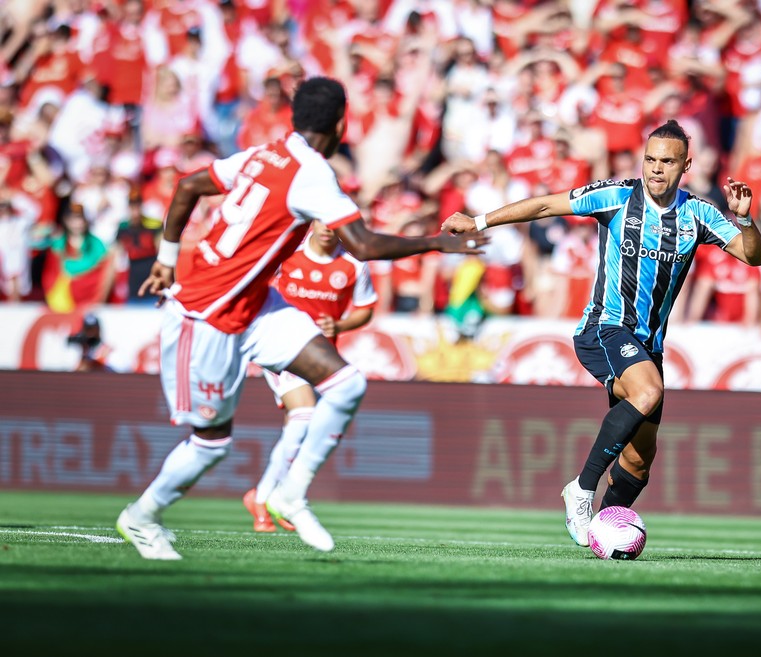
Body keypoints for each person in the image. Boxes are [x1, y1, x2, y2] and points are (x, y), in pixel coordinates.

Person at [116, 77, 487, 560]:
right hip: (206, 314)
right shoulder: (311, 172)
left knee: (346, 384)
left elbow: (188, 185)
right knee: (210, 444)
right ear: (340, 125)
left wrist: (166, 258)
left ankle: (290, 493)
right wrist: (437, 242)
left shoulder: (263, 154)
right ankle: (142, 516)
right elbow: (364, 246)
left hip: (255, 305)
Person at [442, 120, 761, 546]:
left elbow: (753, 257)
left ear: (685, 166)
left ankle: (604, 531)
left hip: (648, 344)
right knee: (648, 392)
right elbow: (544, 206)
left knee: (639, 460)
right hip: (604, 327)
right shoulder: (616, 196)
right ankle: (581, 489)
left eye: (667, 162)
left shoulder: (698, 213)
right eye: (650, 159)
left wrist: (744, 220)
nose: (656, 168)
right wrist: (479, 221)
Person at [243, 221, 377, 532]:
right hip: (281, 347)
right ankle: (267, 499)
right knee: (304, 413)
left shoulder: (354, 264)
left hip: (320, 357)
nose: (327, 228)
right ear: (312, 221)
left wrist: (340, 326)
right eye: (321, 220)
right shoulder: (288, 252)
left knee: (299, 426)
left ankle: (264, 494)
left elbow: (365, 308)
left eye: (334, 223)